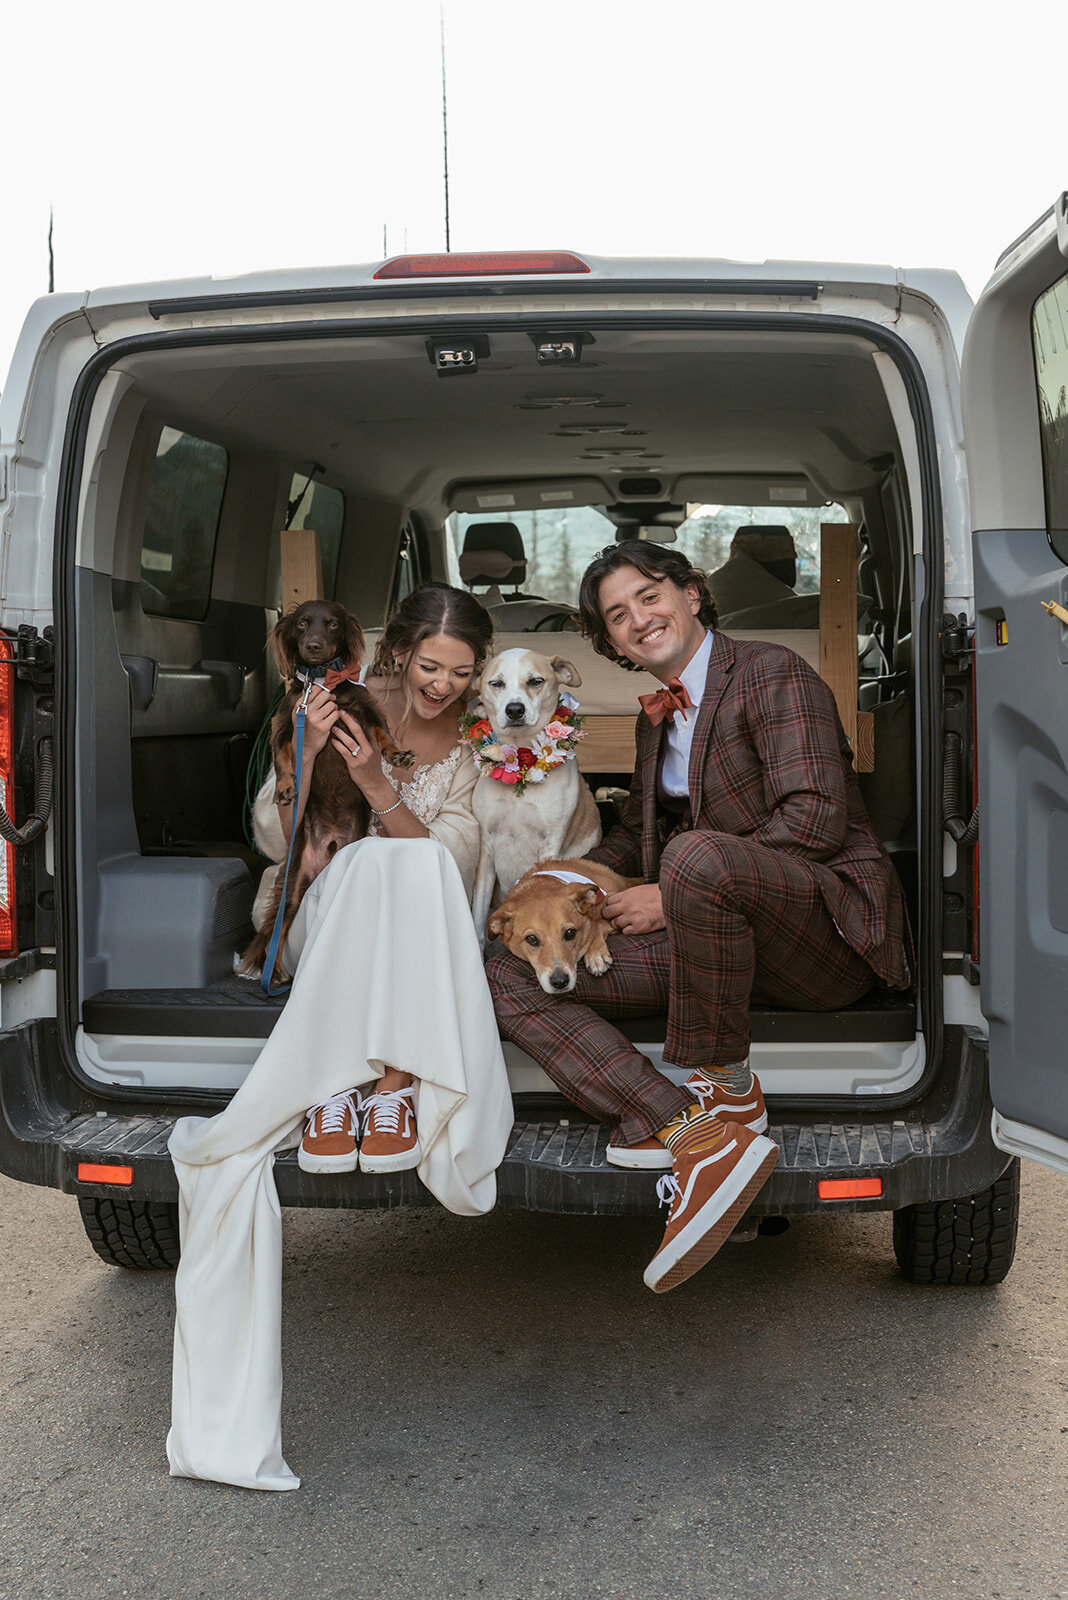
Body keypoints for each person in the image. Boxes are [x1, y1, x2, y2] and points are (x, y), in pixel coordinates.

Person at [486, 541, 912, 1296]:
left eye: (649, 596)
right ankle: (692, 1131)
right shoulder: (660, 720)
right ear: (610, 642)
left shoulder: (772, 672)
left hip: (823, 937)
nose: (638, 619)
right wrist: (559, 880)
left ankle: (727, 1083)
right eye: (618, 616)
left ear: (690, 593)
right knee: (504, 972)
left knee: (691, 860)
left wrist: (673, 888)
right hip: (717, 943)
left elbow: (816, 818)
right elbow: (641, 840)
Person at [168, 583, 512, 1492]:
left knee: (406, 863)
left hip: (430, 920)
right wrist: (315, 754)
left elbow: (456, 862)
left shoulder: (481, 745)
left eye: (461, 673)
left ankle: (384, 1082)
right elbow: (279, 841)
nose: (441, 687)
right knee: (363, 865)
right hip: (332, 907)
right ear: (397, 654)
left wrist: (375, 786)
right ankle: (347, 1081)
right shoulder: (331, 709)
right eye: (428, 667)